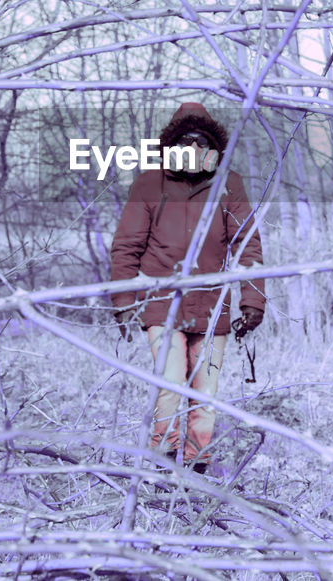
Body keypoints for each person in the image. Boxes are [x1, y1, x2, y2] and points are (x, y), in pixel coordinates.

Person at [110, 102, 266, 473]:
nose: (194, 151)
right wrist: (124, 301)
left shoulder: (230, 185)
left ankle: (197, 469)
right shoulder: (150, 183)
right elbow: (127, 245)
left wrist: (252, 300)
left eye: (202, 144)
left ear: (213, 149)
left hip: (213, 306)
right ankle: (164, 465)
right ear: (172, 146)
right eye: (186, 143)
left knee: (205, 394)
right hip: (162, 301)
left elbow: (247, 244)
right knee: (170, 385)